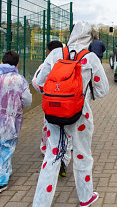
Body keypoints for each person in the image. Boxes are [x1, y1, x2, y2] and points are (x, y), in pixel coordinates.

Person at [33, 21, 109, 207]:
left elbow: (40, 82)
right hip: (80, 115)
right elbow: (103, 90)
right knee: (83, 154)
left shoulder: (56, 54)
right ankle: (85, 197)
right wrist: (85, 94)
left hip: (54, 115)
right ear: (89, 37)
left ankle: (40, 203)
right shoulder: (90, 58)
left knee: (52, 156)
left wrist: (57, 98)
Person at [0, 50, 32, 193]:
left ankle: (3, 170)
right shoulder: (19, 79)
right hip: (10, 119)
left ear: (2, 61)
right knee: (7, 146)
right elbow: (27, 100)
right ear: (17, 64)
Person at [31, 40, 71, 177]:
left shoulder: (46, 64)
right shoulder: (71, 62)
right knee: (67, 132)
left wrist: (47, 93)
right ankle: (64, 159)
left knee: (50, 129)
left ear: (48, 51)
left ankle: (50, 156)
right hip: (68, 105)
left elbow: (37, 82)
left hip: (51, 104)